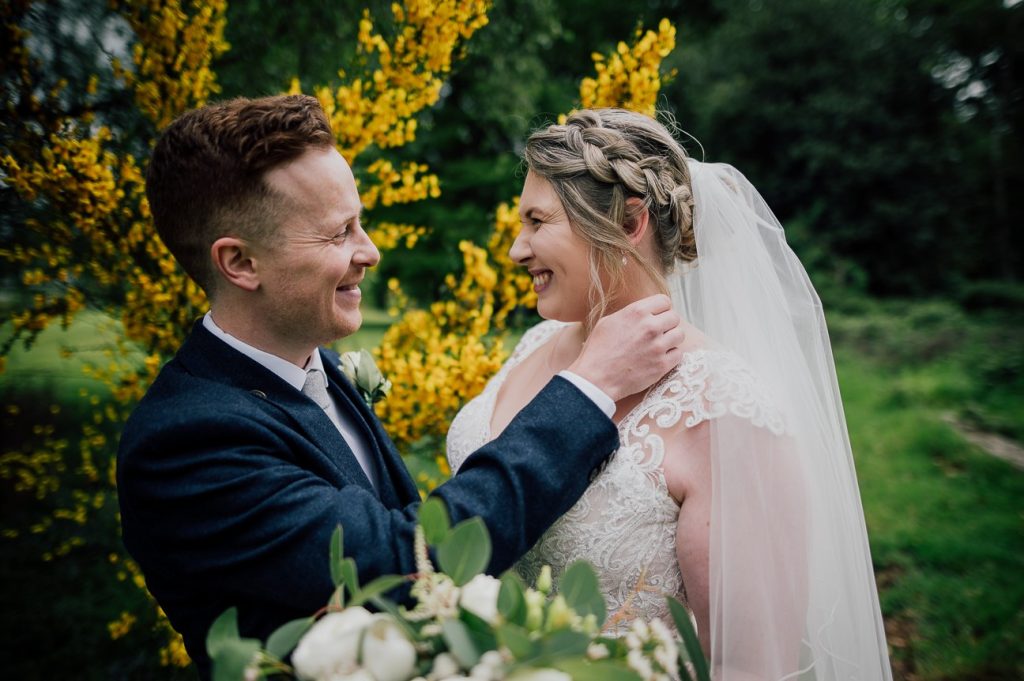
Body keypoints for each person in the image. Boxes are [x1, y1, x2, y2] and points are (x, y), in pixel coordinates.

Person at [116, 95, 685, 679]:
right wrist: (589, 388)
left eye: (358, 221)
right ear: (240, 263)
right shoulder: (185, 444)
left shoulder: (319, 367)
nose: (370, 251)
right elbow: (403, 559)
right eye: (338, 234)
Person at [447, 109, 893, 680]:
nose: (516, 249)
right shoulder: (537, 342)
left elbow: (747, 667)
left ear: (631, 222)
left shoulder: (725, 409)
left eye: (538, 221)